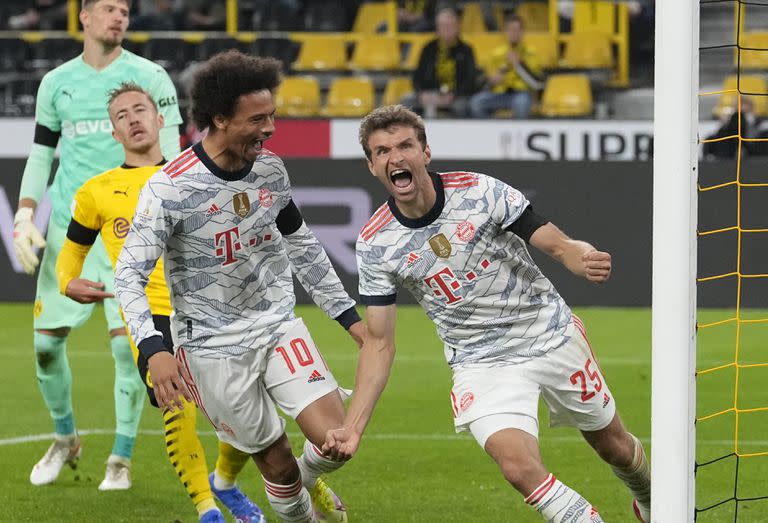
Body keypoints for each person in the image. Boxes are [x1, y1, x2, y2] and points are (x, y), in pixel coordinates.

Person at [322, 105, 652, 523]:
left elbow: (554, 241)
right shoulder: (376, 243)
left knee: (614, 446)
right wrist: (353, 426)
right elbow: (380, 341)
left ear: (425, 152)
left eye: (406, 145)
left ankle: (652, 499)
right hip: (481, 363)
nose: (396, 157)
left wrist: (579, 256)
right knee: (517, 467)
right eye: (383, 151)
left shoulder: (478, 191)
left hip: (548, 334)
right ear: (372, 166)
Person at [114, 50, 364, 523]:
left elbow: (303, 245)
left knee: (337, 440)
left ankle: (305, 486)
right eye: (258, 119)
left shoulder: (271, 170)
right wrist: (154, 348)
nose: (270, 129)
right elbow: (128, 274)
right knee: (278, 464)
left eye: (272, 116)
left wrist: (349, 318)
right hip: (211, 347)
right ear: (220, 119)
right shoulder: (170, 189)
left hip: (275, 326)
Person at [55, 82, 265, 523]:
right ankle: (207, 511)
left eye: (139, 110)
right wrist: (66, 281)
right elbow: (72, 251)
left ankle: (223, 482)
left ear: (159, 119)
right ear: (114, 133)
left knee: (243, 403)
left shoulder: (198, 174)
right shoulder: (98, 190)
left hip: (212, 304)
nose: (132, 119)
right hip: (152, 315)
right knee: (177, 403)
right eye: (121, 116)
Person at [13, 0, 182, 490]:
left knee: (129, 352)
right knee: (46, 349)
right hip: (72, 232)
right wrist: (25, 212)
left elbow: (170, 155)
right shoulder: (56, 83)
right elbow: (43, 153)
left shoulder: (151, 77)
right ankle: (66, 438)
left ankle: (121, 457)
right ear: (83, 17)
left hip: (132, 234)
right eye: (108, 7)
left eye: (125, 9)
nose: (119, 15)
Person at [401, 8, 478, 118]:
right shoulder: (428, 48)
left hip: (457, 95)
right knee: (406, 101)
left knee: (461, 106)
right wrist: (421, 93)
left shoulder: (466, 50)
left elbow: (470, 79)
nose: (446, 29)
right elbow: (418, 76)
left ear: (457, 28)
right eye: (443, 26)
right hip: (430, 92)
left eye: (450, 26)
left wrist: (454, 95)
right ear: (437, 29)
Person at [469, 15, 543, 119]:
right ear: (506, 32)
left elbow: (537, 84)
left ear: (522, 32)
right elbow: (485, 84)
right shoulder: (496, 54)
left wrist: (519, 65)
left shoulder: (531, 53)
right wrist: (492, 81)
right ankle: (489, 133)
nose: (514, 33)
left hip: (521, 94)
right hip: (499, 94)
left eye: (517, 30)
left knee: (522, 103)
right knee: (476, 102)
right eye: (511, 30)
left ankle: (519, 134)